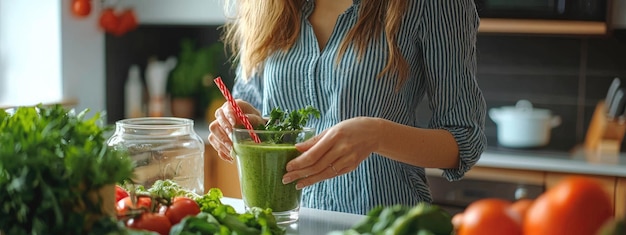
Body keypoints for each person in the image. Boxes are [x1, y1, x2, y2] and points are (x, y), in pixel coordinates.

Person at [208, 0, 487, 215]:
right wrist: (241, 119)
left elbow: (464, 140)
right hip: (282, 222)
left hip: (382, 223)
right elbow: (253, 108)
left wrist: (376, 135)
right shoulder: (266, 6)